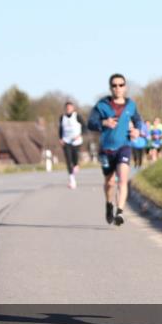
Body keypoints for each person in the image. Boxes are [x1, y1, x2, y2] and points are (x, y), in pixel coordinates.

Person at [87, 74, 143, 226]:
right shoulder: (102, 105)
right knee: (110, 182)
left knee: (123, 180)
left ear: (125, 87)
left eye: (120, 85)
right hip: (106, 148)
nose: (117, 88)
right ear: (110, 87)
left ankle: (119, 212)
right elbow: (90, 123)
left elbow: (138, 120)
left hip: (124, 146)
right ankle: (109, 204)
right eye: (114, 85)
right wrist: (104, 122)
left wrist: (137, 130)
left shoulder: (130, 105)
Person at [58, 101, 84, 189]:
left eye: (70, 108)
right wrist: (60, 138)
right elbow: (60, 129)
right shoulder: (62, 117)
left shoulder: (77, 116)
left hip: (76, 141)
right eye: (67, 108)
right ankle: (72, 180)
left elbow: (84, 127)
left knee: (75, 158)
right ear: (65, 109)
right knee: (68, 160)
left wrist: (79, 136)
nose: (68, 109)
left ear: (73, 108)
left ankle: (76, 165)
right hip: (66, 141)